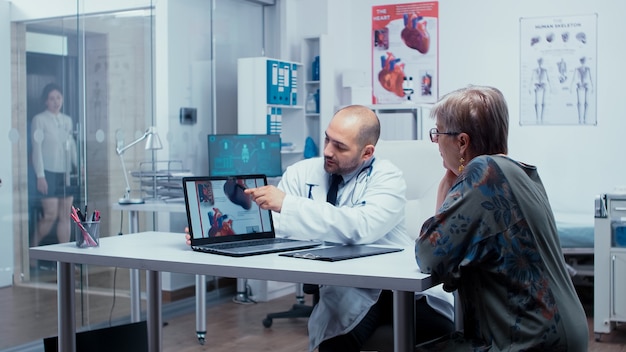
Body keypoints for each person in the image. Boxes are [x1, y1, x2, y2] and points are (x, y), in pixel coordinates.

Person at [186, 105, 454, 351]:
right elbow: (274, 225)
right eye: (327, 139)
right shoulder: (302, 172)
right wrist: (215, 235)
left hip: (397, 289)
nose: (327, 151)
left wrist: (289, 205)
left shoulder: (388, 177)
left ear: (367, 152)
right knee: (334, 343)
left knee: (438, 334)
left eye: (340, 146)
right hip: (347, 288)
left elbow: (362, 227)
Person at [415, 85, 589, 351]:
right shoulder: (521, 173)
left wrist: (444, 188)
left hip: (531, 340)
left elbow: (429, 256)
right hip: (563, 332)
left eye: (438, 133)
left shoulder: (483, 172)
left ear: (462, 142)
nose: (436, 142)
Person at [31, 83, 78, 245]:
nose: (56, 101)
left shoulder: (67, 120)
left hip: (64, 173)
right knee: (50, 215)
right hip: (48, 173)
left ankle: (65, 259)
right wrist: (40, 176)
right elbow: (36, 150)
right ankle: (33, 250)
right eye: (52, 98)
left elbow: (71, 145)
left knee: (65, 215)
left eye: (58, 97)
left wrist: (80, 166)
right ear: (46, 101)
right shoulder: (39, 120)